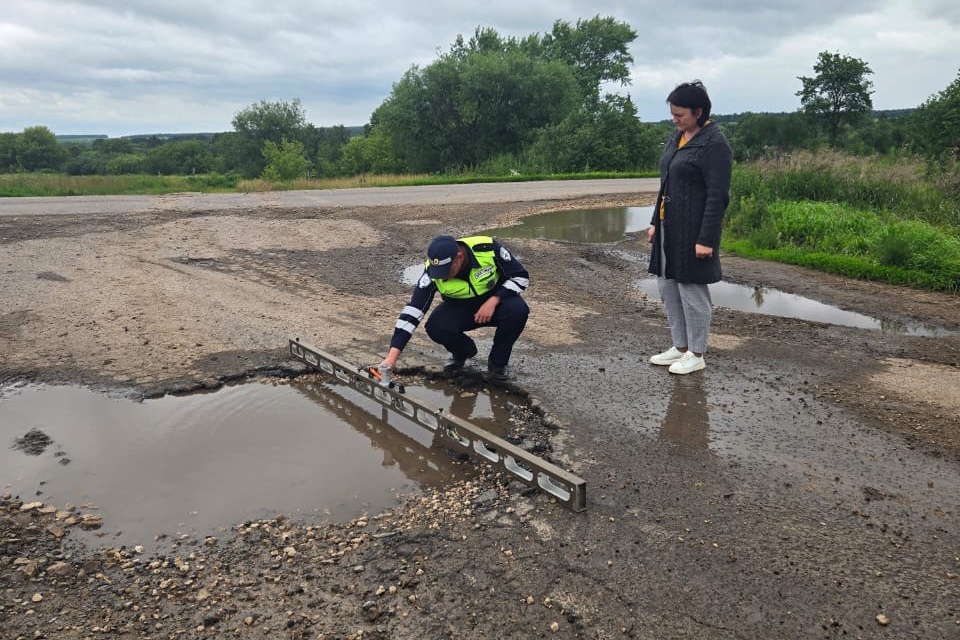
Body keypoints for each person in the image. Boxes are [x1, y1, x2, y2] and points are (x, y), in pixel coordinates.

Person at [647, 80, 732, 375]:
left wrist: (706, 239)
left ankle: (696, 353)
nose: (674, 120)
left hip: (694, 231)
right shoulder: (677, 137)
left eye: (679, 115)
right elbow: (666, 182)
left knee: (691, 291)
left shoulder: (714, 144)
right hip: (668, 226)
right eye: (672, 114)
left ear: (698, 112)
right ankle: (680, 346)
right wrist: (654, 221)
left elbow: (717, 196)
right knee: (668, 287)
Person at [380, 234, 530, 382]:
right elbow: (414, 310)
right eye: (439, 272)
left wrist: (494, 300)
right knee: (435, 327)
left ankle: (498, 364)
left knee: (518, 311)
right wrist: (392, 357)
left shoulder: (487, 249)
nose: (442, 277)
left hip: (497, 304)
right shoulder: (432, 272)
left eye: (447, 271)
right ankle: (463, 352)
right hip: (460, 307)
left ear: (459, 257)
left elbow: (521, 276)